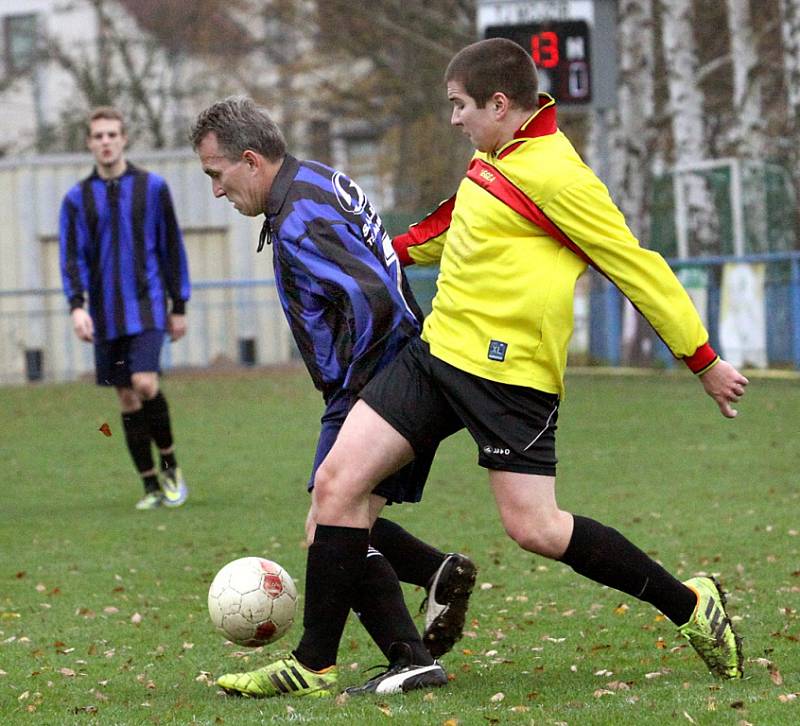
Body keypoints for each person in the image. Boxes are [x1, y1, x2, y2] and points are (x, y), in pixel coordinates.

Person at [222, 36, 750, 694]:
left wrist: (702, 359)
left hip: (511, 380)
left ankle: (691, 607)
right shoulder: (491, 158)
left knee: (535, 527)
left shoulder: (561, 176)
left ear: (500, 104)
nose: (453, 119)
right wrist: (381, 248)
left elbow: (635, 266)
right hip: (437, 353)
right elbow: (451, 226)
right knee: (336, 487)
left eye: (460, 106)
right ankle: (314, 663)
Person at [190, 97, 477, 697]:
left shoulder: (300, 218)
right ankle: (419, 620)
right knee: (338, 521)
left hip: (376, 379)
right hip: (391, 373)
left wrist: (365, 401)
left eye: (217, 175)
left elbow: (372, 297)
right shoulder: (316, 179)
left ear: (249, 160)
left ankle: (317, 661)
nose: (217, 191)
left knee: (330, 518)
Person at [59, 107, 191, 511]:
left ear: (124, 139)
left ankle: (170, 467)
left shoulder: (152, 188)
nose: (105, 141)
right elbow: (72, 256)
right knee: (127, 399)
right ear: (89, 142)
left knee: (145, 383)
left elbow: (171, 247)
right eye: (98, 135)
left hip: (148, 306)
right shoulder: (76, 199)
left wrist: (179, 303)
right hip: (104, 312)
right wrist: (77, 306)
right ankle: (150, 486)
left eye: (112, 134)